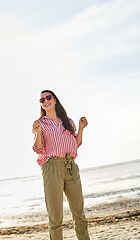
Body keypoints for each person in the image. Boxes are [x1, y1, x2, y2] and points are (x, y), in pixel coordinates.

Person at [32, 90, 90, 240]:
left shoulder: (68, 122)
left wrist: (81, 128)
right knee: (55, 218)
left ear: (55, 100)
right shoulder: (41, 124)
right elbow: (38, 149)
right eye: (42, 99)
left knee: (79, 213)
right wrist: (38, 133)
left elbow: (75, 145)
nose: (45, 101)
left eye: (48, 97)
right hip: (51, 167)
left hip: (71, 165)